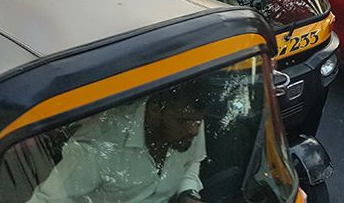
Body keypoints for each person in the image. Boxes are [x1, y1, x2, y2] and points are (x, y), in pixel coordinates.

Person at [26, 80, 208, 203]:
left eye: (197, 121)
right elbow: (45, 200)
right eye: (184, 121)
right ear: (154, 110)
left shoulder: (187, 124)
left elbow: (192, 161)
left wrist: (188, 193)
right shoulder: (98, 147)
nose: (194, 130)